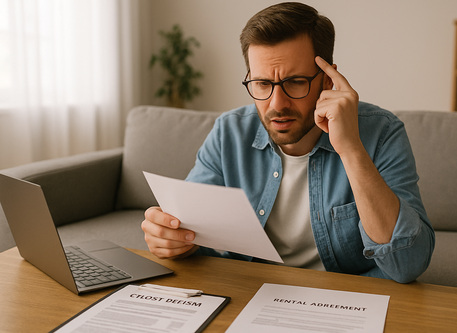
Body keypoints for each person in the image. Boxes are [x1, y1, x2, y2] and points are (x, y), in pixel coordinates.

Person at [141, 2, 434, 283]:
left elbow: (406, 265)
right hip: (253, 293)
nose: (276, 104)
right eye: (262, 84)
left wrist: (351, 150)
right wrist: (172, 238)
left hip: (346, 301)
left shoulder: (381, 132)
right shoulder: (229, 132)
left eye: (295, 82)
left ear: (328, 81)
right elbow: (195, 232)